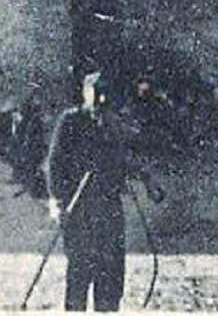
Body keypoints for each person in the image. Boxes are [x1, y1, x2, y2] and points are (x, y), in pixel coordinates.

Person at [45, 71, 164, 311]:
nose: (100, 100)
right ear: (85, 93)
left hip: (110, 211)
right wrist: (57, 203)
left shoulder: (114, 124)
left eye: (104, 94)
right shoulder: (70, 121)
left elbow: (126, 159)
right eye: (95, 93)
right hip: (79, 210)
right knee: (79, 274)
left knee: (111, 277)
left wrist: (148, 181)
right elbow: (54, 164)